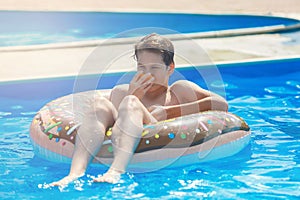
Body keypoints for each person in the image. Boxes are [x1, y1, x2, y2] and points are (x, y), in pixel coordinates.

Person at [50, 33, 228, 186]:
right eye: (142, 67)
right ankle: (75, 173)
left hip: (165, 152)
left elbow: (221, 104)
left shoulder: (180, 91)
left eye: (155, 68)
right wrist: (133, 94)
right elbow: (114, 126)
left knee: (130, 102)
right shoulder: (122, 92)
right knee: (100, 105)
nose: (147, 73)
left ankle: (116, 171)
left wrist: (169, 112)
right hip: (128, 127)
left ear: (170, 68)